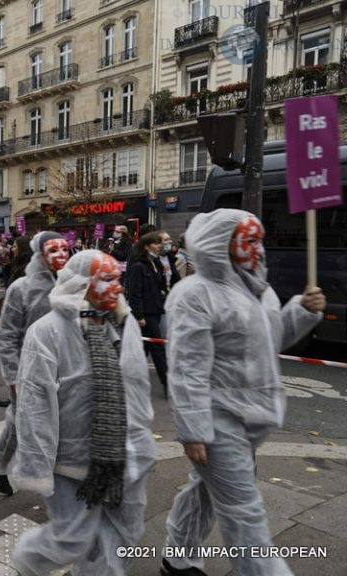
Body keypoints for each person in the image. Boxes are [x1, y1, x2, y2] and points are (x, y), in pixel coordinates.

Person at [161, 209, 325, 576]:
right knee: (245, 513)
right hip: (218, 421)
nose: (258, 250)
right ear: (222, 244)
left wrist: (301, 310)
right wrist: (192, 429)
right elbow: (187, 367)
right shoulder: (195, 294)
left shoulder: (259, 291)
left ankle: (177, 558)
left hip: (251, 418)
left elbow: (270, 342)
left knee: (204, 491)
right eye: (248, 241)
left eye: (260, 240)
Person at [11, 250, 156, 575]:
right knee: (72, 539)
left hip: (122, 456)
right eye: (106, 280)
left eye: (117, 278)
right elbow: (34, 405)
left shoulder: (122, 321)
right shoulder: (46, 331)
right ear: (82, 285)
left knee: (124, 537)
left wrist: (141, 441)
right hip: (70, 463)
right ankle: (28, 561)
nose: (117, 287)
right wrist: (37, 468)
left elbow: (135, 384)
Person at [0, 231, 69, 496]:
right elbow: (8, 336)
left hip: (62, 368)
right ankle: (0, 467)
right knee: (20, 420)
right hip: (27, 370)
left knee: (58, 420)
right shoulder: (21, 288)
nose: (61, 255)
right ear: (40, 254)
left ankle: (55, 473)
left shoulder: (72, 284)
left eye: (65, 249)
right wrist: (12, 377)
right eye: (53, 250)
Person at [126, 231, 169, 396]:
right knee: (158, 348)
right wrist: (139, 316)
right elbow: (135, 292)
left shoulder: (156, 264)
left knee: (142, 349)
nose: (160, 246)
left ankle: (129, 381)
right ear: (146, 246)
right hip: (146, 313)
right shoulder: (138, 266)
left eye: (160, 243)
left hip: (157, 310)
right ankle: (167, 384)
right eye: (156, 243)